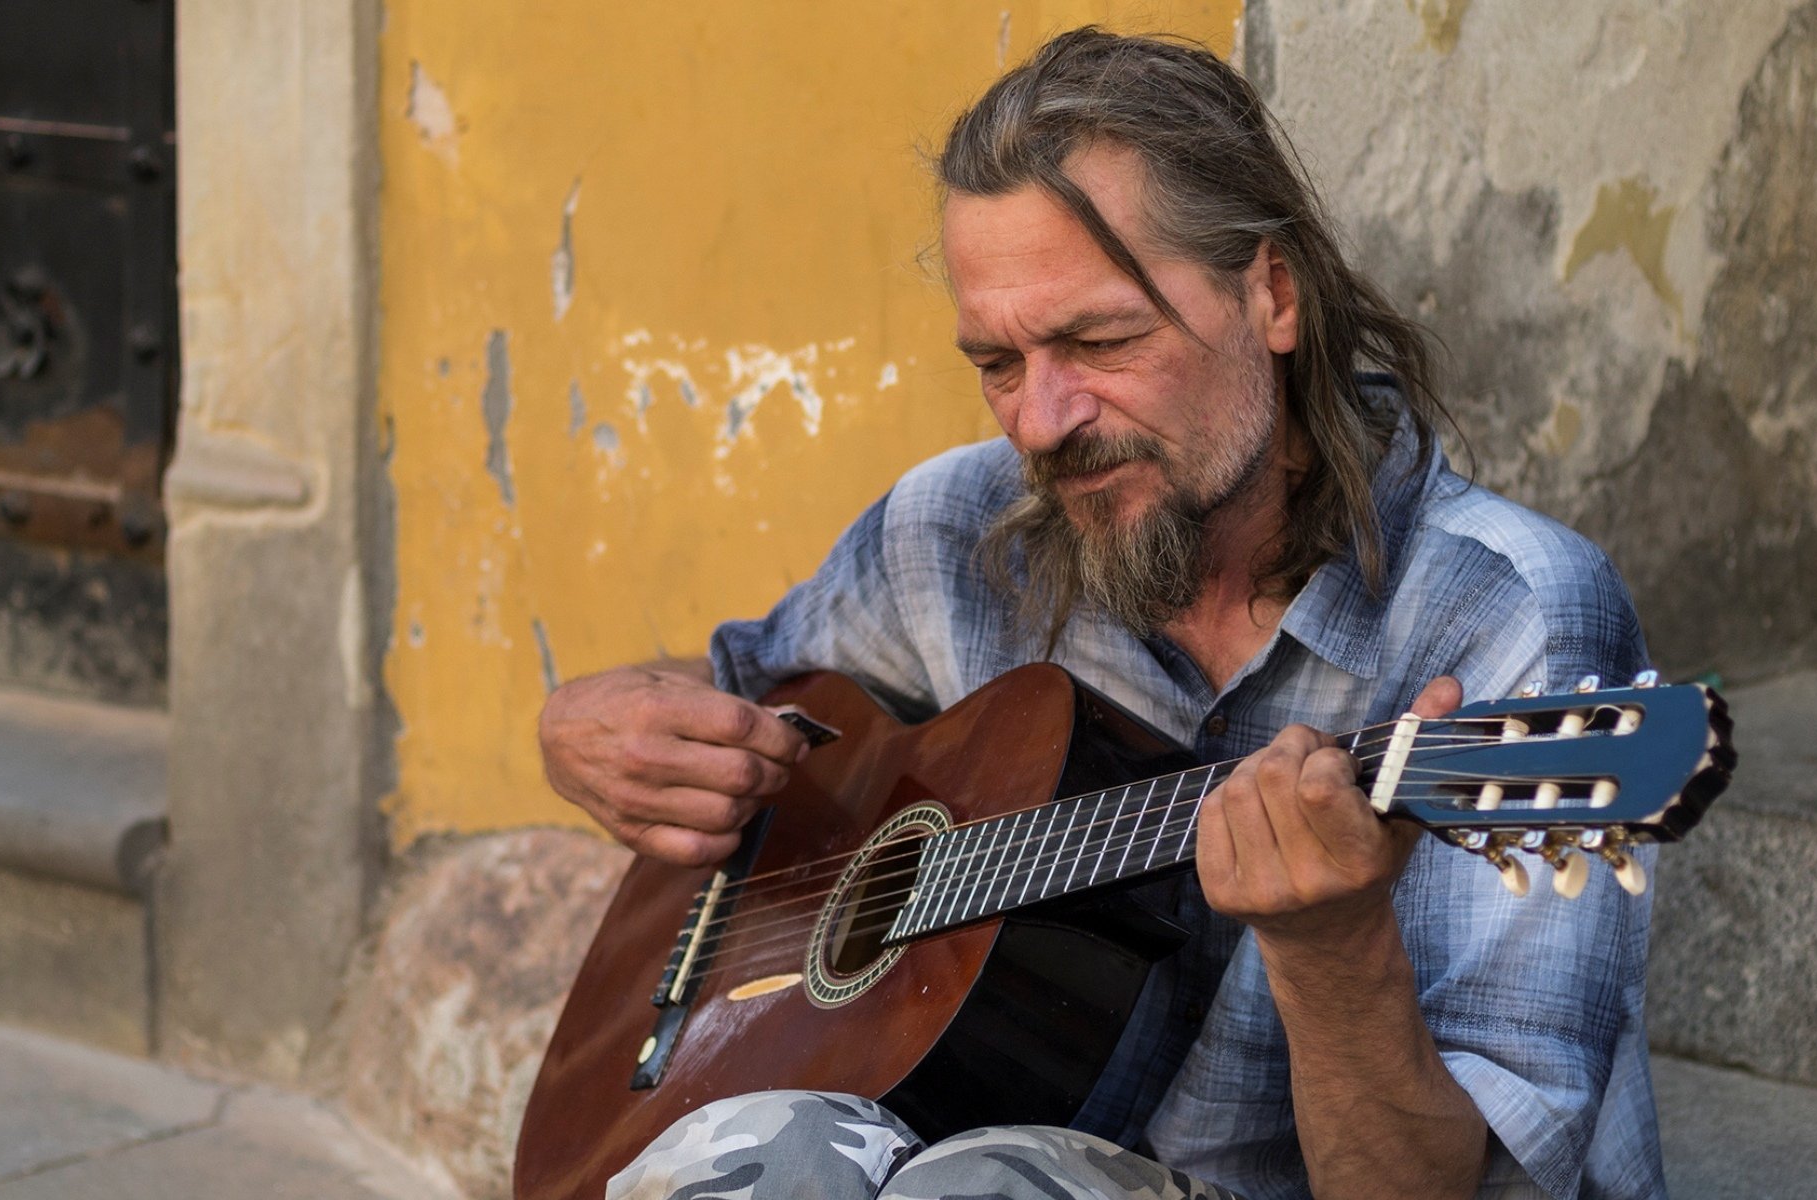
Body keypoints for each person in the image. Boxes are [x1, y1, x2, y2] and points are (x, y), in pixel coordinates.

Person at [539, 28, 1659, 1200]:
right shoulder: (954, 532)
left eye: (1097, 341)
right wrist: (593, 723)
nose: (1038, 420)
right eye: (997, 363)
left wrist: (1333, 952)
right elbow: (744, 698)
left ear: (1271, 295)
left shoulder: (1507, 618)